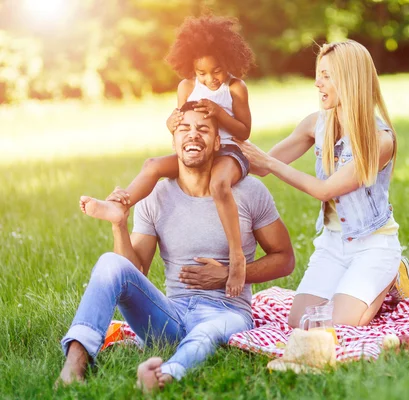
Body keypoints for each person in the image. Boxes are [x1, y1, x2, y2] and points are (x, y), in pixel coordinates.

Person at [59, 102, 295, 392]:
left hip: (226, 312)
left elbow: (285, 258)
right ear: (174, 140)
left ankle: (166, 374)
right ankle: (74, 367)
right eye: (185, 129)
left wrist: (229, 273)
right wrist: (119, 225)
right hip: (170, 313)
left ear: (218, 142)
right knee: (110, 263)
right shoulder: (155, 195)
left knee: (207, 331)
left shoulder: (248, 192)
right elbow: (135, 272)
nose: (193, 135)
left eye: (203, 129)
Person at [238, 40, 409, 328]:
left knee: (337, 327)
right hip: (332, 245)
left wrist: (271, 164)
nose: (316, 83)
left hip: (372, 245)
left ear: (350, 79)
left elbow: (325, 190)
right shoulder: (315, 124)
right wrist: (222, 135)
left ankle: (390, 275)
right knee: (300, 324)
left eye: (326, 75)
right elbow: (260, 166)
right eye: (317, 74)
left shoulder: (380, 140)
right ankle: (357, 287)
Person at [79, 15, 255, 298]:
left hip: (229, 150)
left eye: (217, 71)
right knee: (152, 165)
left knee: (218, 185)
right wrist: (171, 124)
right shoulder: (186, 87)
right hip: (198, 149)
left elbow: (244, 131)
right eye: (202, 73)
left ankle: (237, 257)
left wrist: (221, 114)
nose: (209, 79)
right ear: (191, 68)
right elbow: (182, 128)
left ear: (229, 62)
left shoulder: (235, 88)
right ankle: (120, 205)